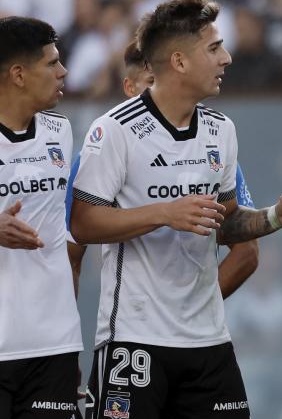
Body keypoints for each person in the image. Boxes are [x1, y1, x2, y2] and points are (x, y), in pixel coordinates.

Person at [69, 0, 282, 419]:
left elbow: (225, 222)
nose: (226, 58)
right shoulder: (113, 129)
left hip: (208, 340)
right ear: (178, 60)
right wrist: (164, 213)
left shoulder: (221, 130)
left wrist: (273, 217)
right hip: (133, 339)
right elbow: (83, 223)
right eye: (214, 48)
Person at [66, 40, 260, 299]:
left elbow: (247, 250)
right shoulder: (99, 150)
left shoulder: (213, 142)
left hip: (201, 334)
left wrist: (195, 308)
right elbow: (73, 253)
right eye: (151, 82)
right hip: (129, 322)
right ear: (129, 87)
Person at [0, 16, 86, 419]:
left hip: (54, 341)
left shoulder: (62, 131)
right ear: (18, 74)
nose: (63, 72)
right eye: (52, 63)